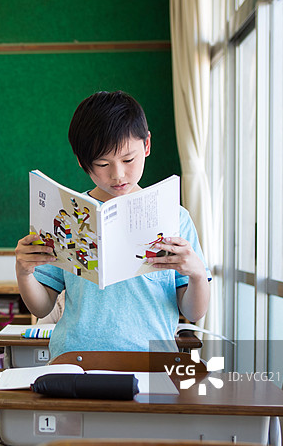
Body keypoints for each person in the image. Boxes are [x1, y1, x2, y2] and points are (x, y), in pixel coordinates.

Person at [15, 90, 211, 358]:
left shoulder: (174, 217)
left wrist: (198, 274)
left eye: (128, 160)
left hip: (151, 360)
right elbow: (41, 307)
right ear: (83, 162)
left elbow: (193, 312)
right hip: (75, 359)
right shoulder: (66, 216)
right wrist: (24, 273)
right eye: (103, 163)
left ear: (147, 145)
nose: (117, 174)